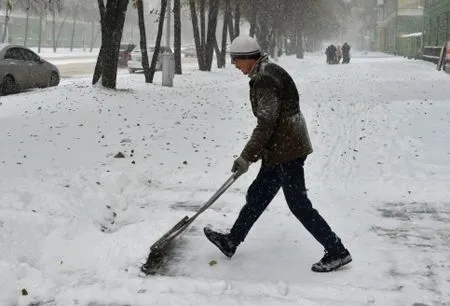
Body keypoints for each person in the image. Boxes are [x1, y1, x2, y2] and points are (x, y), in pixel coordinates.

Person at [203, 35, 352, 273]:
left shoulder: (264, 79)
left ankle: (337, 251)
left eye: (236, 61)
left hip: (287, 149)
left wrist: (246, 157)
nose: (234, 66)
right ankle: (232, 241)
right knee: (258, 195)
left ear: (247, 58)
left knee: (298, 204)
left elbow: (266, 123)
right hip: (283, 145)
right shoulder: (268, 70)